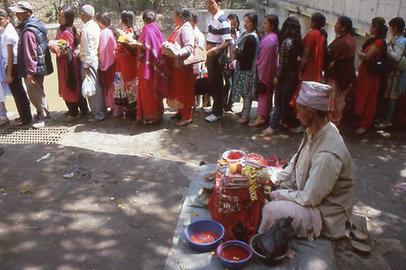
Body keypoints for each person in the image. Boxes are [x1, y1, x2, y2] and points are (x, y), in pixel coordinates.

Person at [259, 81, 355, 240]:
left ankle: (264, 242)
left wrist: (278, 194)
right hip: (308, 195)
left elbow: (309, 198)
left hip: (324, 213)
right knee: (265, 175)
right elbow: (295, 163)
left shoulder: (327, 154)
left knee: (271, 210)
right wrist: (273, 179)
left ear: (310, 112)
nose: (296, 116)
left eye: (298, 111)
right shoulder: (316, 130)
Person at [10, 1, 53, 128]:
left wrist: (30, 72)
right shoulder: (37, 24)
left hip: (33, 69)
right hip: (40, 66)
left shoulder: (28, 31)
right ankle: (42, 113)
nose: (16, 15)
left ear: (26, 13)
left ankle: (44, 117)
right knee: (39, 91)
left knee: (35, 94)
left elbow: (30, 54)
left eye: (19, 12)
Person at [261, 17, 303, 141]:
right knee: (286, 102)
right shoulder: (297, 42)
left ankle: (272, 126)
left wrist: (277, 77)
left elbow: (283, 64)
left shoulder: (286, 43)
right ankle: (288, 123)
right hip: (293, 77)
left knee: (279, 102)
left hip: (285, 77)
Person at [50, 6, 88, 122]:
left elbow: (67, 48)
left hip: (67, 64)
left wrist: (54, 48)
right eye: (59, 16)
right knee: (73, 85)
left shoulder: (66, 31)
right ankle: (80, 110)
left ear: (68, 18)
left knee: (69, 85)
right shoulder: (66, 29)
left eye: (62, 16)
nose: (59, 18)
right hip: (65, 63)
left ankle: (74, 112)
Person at [354, 17, 388, 135]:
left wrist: (361, 54)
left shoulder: (379, 42)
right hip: (365, 73)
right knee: (362, 96)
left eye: (372, 25)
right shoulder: (372, 39)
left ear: (375, 27)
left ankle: (365, 124)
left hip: (371, 75)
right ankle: (360, 120)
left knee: (369, 98)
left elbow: (368, 57)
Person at [0, 9, 32, 126]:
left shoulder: (8, 33)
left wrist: (8, 74)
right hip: (13, 65)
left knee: (18, 94)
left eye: (1, 19)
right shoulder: (8, 30)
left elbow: (10, 55)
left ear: (7, 18)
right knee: (19, 93)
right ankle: (24, 116)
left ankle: (26, 119)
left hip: (13, 65)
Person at [165, 8, 195, 127]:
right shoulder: (179, 28)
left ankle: (187, 116)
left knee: (184, 90)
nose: (173, 17)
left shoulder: (186, 29)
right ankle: (180, 111)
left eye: (175, 15)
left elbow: (189, 47)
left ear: (180, 16)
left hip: (183, 67)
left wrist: (176, 53)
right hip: (176, 66)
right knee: (178, 89)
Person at [134, 10, 165, 124]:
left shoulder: (146, 29)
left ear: (145, 20)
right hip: (155, 65)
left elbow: (147, 46)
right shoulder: (157, 29)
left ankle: (150, 116)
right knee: (155, 90)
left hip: (146, 66)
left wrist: (135, 43)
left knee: (147, 92)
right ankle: (158, 114)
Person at [249, 15, 279, 128]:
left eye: (266, 23)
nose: (264, 25)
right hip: (268, 70)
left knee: (264, 94)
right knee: (266, 94)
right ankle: (264, 115)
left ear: (272, 26)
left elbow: (265, 59)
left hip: (266, 71)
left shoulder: (271, 39)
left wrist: (259, 67)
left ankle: (262, 117)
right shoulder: (272, 37)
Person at [376, 17, 406, 128]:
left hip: (396, 74)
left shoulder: (400, 41)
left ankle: (387, 120)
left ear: (396, 28)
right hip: (393, 73)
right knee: (388, 96)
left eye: (391, 28)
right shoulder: (399, 39)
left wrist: (388, 48)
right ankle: (384, 118)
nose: (390, 30)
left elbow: (396, 57)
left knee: (391, 97)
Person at [205, 0, 232, 122]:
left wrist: (215, 49)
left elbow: (227, 41)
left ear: (218, 3)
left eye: (211, 3)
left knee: (217, 83)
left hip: (218, 56)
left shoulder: (223, 20)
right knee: (212, 82)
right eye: (207, 3)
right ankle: (215, 107)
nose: (209, 6)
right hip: (211, 56)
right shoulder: (213, 18)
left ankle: (218, 112)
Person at [326, 16, 356, 125]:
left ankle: (331, 124)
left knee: (333, 101)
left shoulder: (343, 42)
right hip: (344, 76)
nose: (335, 25)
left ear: (343, 27)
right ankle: (335, 122)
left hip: (337, 76)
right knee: (339, 100)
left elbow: (330, 55)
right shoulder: (350, 39)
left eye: (337, 23)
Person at [230, 12, 259, 124]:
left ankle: (246, 115)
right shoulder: (246, 34)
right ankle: (243, 111)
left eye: (248, 22)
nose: (245, 24)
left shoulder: (251, 38)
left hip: (247, 69)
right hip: (242, 68)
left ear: (254, 24)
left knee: (246, 92)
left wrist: (237, 53)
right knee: (243, 91)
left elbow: (247, 57)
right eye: (245, 21)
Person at [79, 4, 107, 122]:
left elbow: (89, 49)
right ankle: (99, 111)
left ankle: (99, 113)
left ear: (83, 15)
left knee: (92, 88)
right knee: (95, 87)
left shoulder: (87, 29)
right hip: (93, 59)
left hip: (89, 61)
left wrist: (85, 66)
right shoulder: (94, 26)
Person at [114, 10, 138, 119]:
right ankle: (130, 112)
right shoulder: (130, 32)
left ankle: (132, 113)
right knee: (129, 87)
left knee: (129, 88)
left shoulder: (127, 33)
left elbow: (121, 48)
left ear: (123, 20)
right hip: (126, 65)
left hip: (127, 66)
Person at [96, 11, 118, 117]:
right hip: (113, 62)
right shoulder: (109, 31)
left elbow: (103, 51)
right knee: (113, 86)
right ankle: (115, 108)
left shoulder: (104, 33)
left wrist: (102, 64)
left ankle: (114, 108)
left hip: (108, 64)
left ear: (100, 23)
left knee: (110, 88)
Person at [300, 12, 326, 82]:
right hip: (317, 73)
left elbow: (306, 54)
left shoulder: (312, 34)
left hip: (308, 72)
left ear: (313, 23)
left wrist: (300, 68)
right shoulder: (322, 36)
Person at [223, 13, 240, 112]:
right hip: (227, 63)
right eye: (232, 24)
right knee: (228, 84)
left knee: (234, 85)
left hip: (236, 63)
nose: (234, 26)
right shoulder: (225, 35)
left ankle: (230, 105)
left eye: (235, 23)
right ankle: (222, 103)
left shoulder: (239, 34)